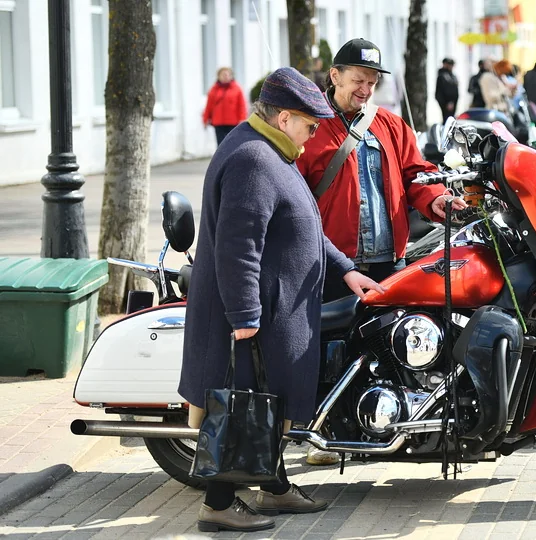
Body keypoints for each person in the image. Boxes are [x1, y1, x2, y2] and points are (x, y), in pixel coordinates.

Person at [179, 67, 385, 532]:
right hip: (259, 317)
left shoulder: (273, 150)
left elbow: (304, 225)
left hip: (277, 311)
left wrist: (346, 269)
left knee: (268, 406)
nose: (314, 135)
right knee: (244, 409)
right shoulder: (255, 159)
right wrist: (245, 316)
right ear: (285, 117)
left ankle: (274, 489)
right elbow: (239, 246)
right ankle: (218, 503)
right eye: (311, 125)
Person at [297, 38, 467, 466]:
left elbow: (417, 175)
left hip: (388, 258)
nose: (365, 90)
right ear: (333, 76)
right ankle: (320, 435)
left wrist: (437, 200)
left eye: (371, 82)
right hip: (332, 258)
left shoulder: (390, 124)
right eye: (358, 80)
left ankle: (372, 425)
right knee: (330, 346)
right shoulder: (310, 127)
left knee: (380, 345)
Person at [202, 67, 248, 146]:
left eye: (227, 74)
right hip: (218, 122)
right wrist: (205, 119)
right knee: (220, 144)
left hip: (233, 122)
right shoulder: (213, 90)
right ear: (218, 76)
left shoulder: (237, 89)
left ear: (231, 76)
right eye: (223, 75)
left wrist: (242, 118)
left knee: (232, 143)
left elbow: (242, 105)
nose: (225, 76)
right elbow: (209, 106)